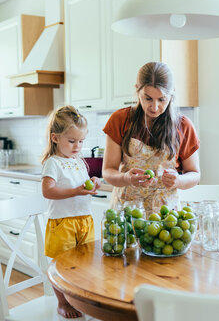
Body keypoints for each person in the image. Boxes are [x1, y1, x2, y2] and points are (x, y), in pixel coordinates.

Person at [102, 61, 200, 212]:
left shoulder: (183, 125)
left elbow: (194, 174)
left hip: (165, 215)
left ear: (171, 93)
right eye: (148, 98)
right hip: (127, 211)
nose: (154, 107)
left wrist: (179, 180)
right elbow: (108, 171)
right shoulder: (120, 119)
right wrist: (126, 178)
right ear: (137, 90)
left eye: (162, 99)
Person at [41, 105, 101, 319]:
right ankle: (62, 302)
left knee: (84, 264)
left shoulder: (78, 162)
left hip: (84, 220)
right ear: (55, 138)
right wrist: (76, 190)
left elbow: (82, 187)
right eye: (72, 141)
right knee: (60, 266)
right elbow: (47, 191)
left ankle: (79, 299)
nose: (78, 146)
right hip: (62, 222)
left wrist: (92, 183)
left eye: (81, 141)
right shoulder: (53, 163)